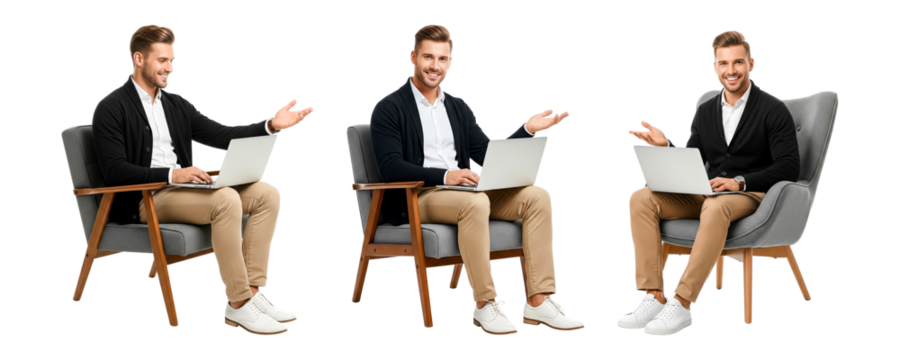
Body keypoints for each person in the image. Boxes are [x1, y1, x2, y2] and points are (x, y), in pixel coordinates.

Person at [90, 24, 316, 336]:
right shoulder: (110, 108)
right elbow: (115, 171)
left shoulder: (175, 104)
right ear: (139, 59)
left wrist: (270, 125)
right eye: (162, 61)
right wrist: (174, 174)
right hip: (147, 198)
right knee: (225, 200)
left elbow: (222, 134)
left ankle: (251, 292)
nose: (170, 68)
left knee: (267, 193)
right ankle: (236, 304)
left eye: (173, 60)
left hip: (185, 191)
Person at [368, 24, 587, 336]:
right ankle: (485, 304)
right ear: (412, 57)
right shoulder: (389, 108)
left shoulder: (457, 107)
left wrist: (527, 131)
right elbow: (390, 167)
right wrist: (446, 175)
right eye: (428, 57)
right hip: (420, 196)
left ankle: (538, 301)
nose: (434, 65)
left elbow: (486, 154)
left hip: (466, 192)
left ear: (451, 62)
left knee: (537, 196)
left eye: (442, 59)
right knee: (475, 201)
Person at [621, 30, 800, 336]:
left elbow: (789, 167)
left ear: (751, 64)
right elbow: (691, 158)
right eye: (724, 63)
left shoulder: (773, 110)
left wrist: (741, 182)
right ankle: (653, 295)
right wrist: (666, 147)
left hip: (751, 194)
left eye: (738, 62)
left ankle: (682, 303)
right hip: (708, 192)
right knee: (640, 197)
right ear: (714, 67)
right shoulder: (705, 110)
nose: (731, 70)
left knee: (717, 207)